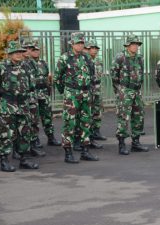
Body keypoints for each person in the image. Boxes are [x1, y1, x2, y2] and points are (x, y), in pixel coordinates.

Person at [0, 41, 40, 172]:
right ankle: (4, 160)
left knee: (24, 132)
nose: (19, 54)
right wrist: (3, 99)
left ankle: (24, 159)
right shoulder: (0, 67)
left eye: (20, 52)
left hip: (23, 104)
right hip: (8, 104)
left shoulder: (26, 66)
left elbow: (31, 85)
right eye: (16, 52)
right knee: (5, 133)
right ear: (10, 53)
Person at [54, 32, 99, 163]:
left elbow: (92, 75)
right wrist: (66, 92)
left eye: (81, 43)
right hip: (71, 94)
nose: (80, 45)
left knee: (86, 122)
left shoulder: (87, 58)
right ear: (72, 44)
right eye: (77, 43)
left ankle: (85, 150)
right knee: (70, 123)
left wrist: (89, 90)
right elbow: (57, 78)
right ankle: (68, 152)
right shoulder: (65, 58)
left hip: (85, 94)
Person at [110, 34, 149, 155]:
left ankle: (136, 143)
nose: (135, 46)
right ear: (127, 45)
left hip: (137, 91)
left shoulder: (140, 58)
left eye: (137, 44)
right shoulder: (120, 57)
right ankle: (121, 144)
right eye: (133, 44)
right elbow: (114, 75)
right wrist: (120, 90)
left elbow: (141, 74)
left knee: (139, 116)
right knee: (123, 118)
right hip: (125, 91)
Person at [29, 39, 61, 147]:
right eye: (33, 50)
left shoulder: (43, 63)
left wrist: (49, 88)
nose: (36, 52)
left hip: (44, 93)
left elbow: (48, 77)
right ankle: (35, 139)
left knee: (47, 116)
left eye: (37, 50)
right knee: (34, 118)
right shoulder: (27, 63)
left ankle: (51, 137)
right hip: (33, 94)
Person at [21, 38, 46, 157]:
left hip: (32, 96)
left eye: (30, 48)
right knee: (21, 124)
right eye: (26, 48)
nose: (28, 51)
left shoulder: (31, 63)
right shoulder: (16, 62)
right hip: (20, 99)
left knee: (33, 121)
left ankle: (32, 144)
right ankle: (18, 149)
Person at [86, 39, 107, 143]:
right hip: (89, 89)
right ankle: (88, 134)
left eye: (95, 48)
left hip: (97, 88)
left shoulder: (99, 61)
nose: (94, 50)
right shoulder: (85, 60)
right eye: (91, 48)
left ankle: (96, 131)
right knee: (88, 112)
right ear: (87, 49)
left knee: (97, 111)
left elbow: (100, 76)